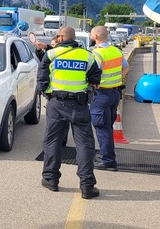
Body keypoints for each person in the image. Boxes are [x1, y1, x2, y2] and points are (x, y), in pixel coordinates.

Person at [38, 26, 102, 199]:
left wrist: (47, 93)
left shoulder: (51, 55)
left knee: (52, 142)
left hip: (56, 103)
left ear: (60, 37)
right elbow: (96, 78)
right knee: (85, 144)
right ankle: (87, 186)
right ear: (73, 39)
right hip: (79, 105)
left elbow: (42, 80)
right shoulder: (87, 55)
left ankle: (51, 179)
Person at [89, 26, 130, 171]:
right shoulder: (116, 51)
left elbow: (91, 74)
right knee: (107, 126)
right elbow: (126, 67)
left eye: (91, 34)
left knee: (102, 127)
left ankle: (108, 161)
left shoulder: (96, 54)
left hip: (101, 94)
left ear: (95, 36)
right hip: (115, 93)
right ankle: (106, 155)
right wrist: (118, 80)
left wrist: (95, 84)